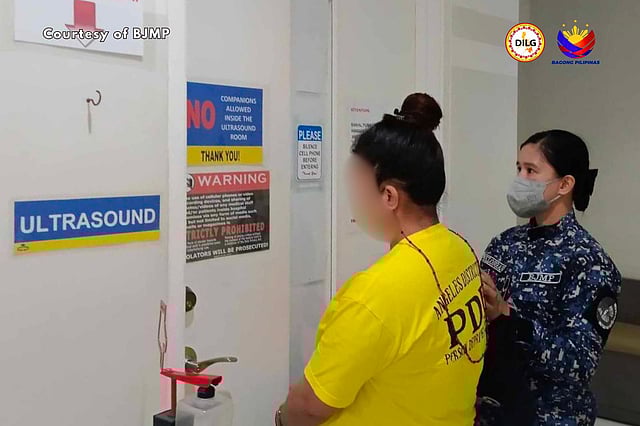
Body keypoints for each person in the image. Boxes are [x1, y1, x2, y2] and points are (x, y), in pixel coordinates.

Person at [275, 93, 486, 426]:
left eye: (357, 186)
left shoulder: (372, 296)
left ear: (389, 196)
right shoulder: (458, 250)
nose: (352, 200)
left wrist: (280, 419)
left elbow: (310, 406)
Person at [477, 130, 622, 426]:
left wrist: (510, 319)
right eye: (518, 168)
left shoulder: (588, 261)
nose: (520, 179)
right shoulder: (505, 243)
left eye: (531, 171)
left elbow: (579, 363)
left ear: (565, 184)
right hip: (491, 410)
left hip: (548, 416)